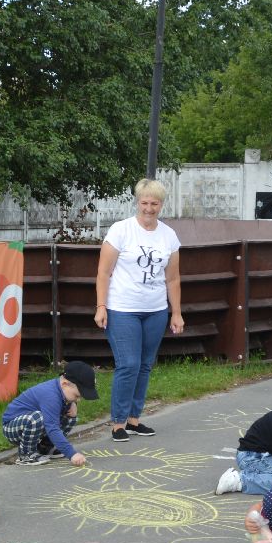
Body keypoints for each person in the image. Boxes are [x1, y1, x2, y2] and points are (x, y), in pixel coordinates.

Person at [95, 179, 183, 442]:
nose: (149, 208)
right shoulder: (121, 230)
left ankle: (134, 419)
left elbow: (173, 278)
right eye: (144, 202)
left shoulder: (169, 236)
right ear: (137, 202)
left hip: (155, 309)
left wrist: (176, 312)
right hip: (122, 308)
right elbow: (103, 272)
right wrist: (101, 306)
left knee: (145, 365)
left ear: (161, 205)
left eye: (154, 203)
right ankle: (118, 422)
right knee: (128, 364)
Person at [1, 360, 96, 467]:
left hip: (33, 426)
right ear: (65, 384)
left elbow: (56, 417)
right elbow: (52, 428)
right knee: (37, 418)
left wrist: (72, 403)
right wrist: (71, 454)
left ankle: (46, 447)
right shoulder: (50, 396)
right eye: (77, 396)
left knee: (70, 416)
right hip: (12, 428)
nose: (78, 400)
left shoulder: (62, 391)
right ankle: (26, 455)